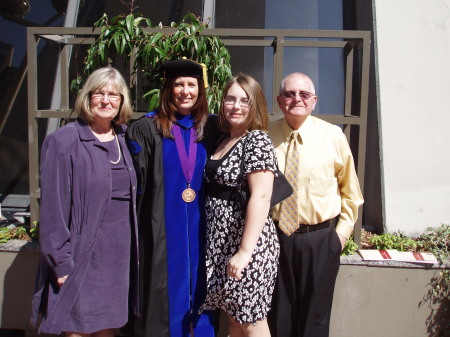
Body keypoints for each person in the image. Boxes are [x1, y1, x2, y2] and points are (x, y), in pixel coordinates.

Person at [31, 67, 139, 336]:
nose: (106, 100)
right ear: (87, 98)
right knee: (76, 327)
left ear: (122, 101)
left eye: (113, 95)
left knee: (107, 327)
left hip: (118, 257)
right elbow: (53, 210)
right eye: (99, 93)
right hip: (82, 254)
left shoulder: (127, 139)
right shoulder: (64, 141)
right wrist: (61, 262)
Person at [125, 58, 219, 337]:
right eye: (179, 84)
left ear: (201, 90)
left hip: (205, 228)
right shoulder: (147, 128)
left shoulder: (213, 128)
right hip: (163, 229)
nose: (185, 91)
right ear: (168, 88)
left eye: (192, 84)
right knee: (166, 293)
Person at [267, 72, 364, 337]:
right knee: (278, 317)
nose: (296, 99)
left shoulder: (333, 136)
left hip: (320, 240)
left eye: (304, 94)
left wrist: (340, 237)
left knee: (315, 319)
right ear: (279, 100)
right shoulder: (265, 136)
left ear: (314, 101)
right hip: (276, 240)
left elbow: (351, 193)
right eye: (289, 93)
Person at [200, 74, 280, 337]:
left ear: (255, 105)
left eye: (244, 101)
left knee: (251, 321)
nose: (236, 106)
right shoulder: (224, 139)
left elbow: (261, 196)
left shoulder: (256, 140)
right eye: (230, 99)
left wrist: (245, 252)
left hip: (249, 248)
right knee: (234, 318)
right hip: (224, 246)